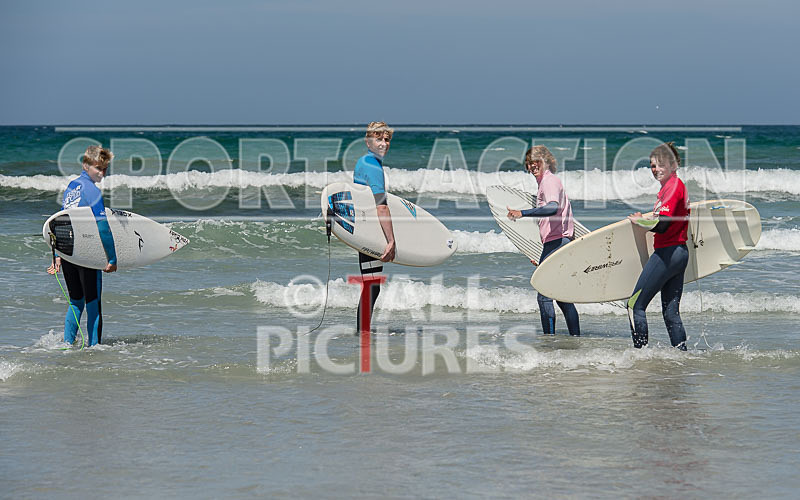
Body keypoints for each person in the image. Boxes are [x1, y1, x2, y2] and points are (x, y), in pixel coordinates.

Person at [47, 145, 117, 346]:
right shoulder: (92, 191)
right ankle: (94, 349)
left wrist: (58, 254)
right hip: (86, 254)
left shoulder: (72, 187)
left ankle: (67, 346)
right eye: (98, 168)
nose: (102, 173)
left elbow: (59, 221)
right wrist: (112, 259)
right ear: (86, 166)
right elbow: (103, 228)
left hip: (70, 252)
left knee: (76, 300)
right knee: (93, 303)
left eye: (105, 169)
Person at [507, 146, 580, 336]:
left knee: (544, 295)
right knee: (562, 297)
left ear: (546, 161)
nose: (532, 165)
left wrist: (522, 213)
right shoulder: (545, 183)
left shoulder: (549, 182)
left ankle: (549, 339)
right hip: (556, 242)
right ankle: (575, 337)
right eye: (529, 162)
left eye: (536, 161)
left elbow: (552, 209)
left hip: (558, 242)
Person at [626, 142, 690, 350]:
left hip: (667, 253)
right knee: (671, 313)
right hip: (679, 253)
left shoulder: (672, 187)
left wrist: (640, 221)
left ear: (673, 164)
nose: (655, 169)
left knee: (635, 305)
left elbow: (663, 225)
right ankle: (682, 357)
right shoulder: (670, 188)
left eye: (660, 164)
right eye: (652, 165)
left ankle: (640, 355)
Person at [352, 121, 396, 333]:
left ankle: (363, 331)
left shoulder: (364, 162)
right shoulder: (373, 166)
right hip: (370, 231)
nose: (384, 143)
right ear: (368, 141)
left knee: (371, 284)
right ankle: (362, 333)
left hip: (364, 229)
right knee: (372, 286)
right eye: (379, 139)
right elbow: (381, 207)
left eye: (386, 139)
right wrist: (391, 240)